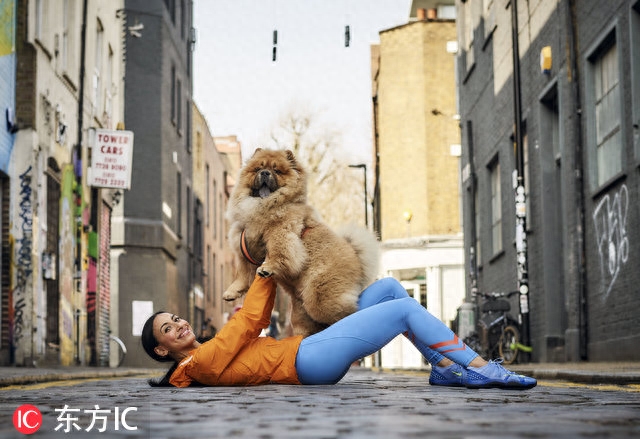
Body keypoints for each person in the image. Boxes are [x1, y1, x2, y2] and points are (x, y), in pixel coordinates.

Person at [141, 274, 536, 389]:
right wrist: (266, 269)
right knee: (401, 310)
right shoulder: (200, 363)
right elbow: (249, 322)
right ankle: (482, 367)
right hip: (309, 362)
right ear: (162, 351)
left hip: (308, 348)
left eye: (174, 318)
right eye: (167, 328)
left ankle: (445, 367)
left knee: (388, 289)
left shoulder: (209, 351)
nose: (178, 324)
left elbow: (244, 326)